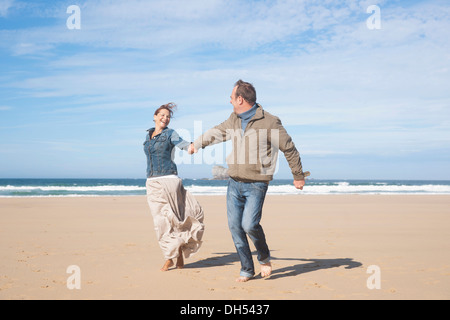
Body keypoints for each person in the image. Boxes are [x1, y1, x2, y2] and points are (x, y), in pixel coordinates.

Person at [189, 80, 309, 282]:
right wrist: (197, 144)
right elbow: (216, 132)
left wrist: (297, 175)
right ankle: (246, 268)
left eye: (231, 96)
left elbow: (289, 148)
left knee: (249, 225)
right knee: (235, 227)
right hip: (234, 182)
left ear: (240, 99)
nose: (229, 100)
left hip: (256, 184)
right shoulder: (233, 119)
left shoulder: (270, 122)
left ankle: (264, 257)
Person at [144, 102, 205, 272]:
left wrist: (191, 147)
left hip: (169, 181)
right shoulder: (148, 135)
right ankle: (173, 255)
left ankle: (171, 257)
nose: (165, 118)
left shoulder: (171, 134)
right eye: (162, 115)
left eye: (168, 116)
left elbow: (183, 144)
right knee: (160, 221)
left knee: (174, 220)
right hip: (151, 182)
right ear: (155, 116)